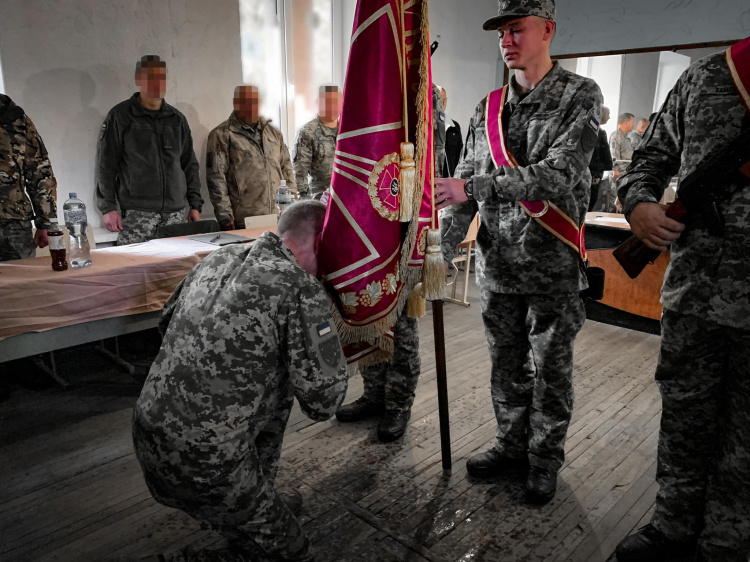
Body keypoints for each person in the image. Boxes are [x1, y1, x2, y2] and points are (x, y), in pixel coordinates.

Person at [434, 0, 602, 504]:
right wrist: (439, 251)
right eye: (501, 33)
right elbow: (460, 190)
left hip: (552, 266)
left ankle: (544, 459)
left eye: (516, 29)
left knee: (552, 372)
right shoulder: (486, 109)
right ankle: (510, 446)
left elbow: (558, 174)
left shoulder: (580, 96)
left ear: (547, 30)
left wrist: (475, 188)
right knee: (505, 366)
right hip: (499, 266)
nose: (507, 40)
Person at [132, 200, 348, 562]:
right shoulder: (298, 287)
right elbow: (324, 403)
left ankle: (252, 503)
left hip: (148, 440)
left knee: (271, 382)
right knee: (296, 552)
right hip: (206, 465)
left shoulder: (217, 257)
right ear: (321, 241)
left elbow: (165, 324)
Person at [614, 37, 750, 562]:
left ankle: (726, 543)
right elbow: (650, 156)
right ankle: (671, 526)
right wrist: (640, 206)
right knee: (684, 419)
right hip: (695, 293)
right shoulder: (709, 76)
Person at [334, 83, 446, 444]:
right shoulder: (371, 97)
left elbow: (432, 161)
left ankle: (398, 405)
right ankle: (373, 394)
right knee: (371, 313)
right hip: (372, 223)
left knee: (403, 330)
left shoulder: (423, 101)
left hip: (406, 229)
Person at [96, 55, 203, 245]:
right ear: (138, 80)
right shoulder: (120, 117)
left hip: (175, 214)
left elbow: (189, 165)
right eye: (150, 77)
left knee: (174, 270)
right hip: (137, 214)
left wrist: (195, 205)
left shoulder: (176, 120)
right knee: (135, 270)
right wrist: (108, 208)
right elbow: (107, 165)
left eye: (161, 78)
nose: (157, 83)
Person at [206, 85, 296, 231]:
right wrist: (224, 216)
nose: (251, 105)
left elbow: (287, 171)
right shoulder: (222, 135)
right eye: (246, 101)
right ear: (236, 103)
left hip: (278, 215)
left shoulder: (273, 134)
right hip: (244, 218)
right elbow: (216, 179)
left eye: (255, 101)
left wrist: (293, 207)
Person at [0, 94, 57, 261]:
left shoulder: (14, 117)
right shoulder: (15, 117)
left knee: (24, 284)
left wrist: (46, 223)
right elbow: (40, 171)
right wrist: (46, 223)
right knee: (22, 284)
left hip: (13, 225)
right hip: (14, 222)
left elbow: (39, 170)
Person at [293, 85, 341, 200]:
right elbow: (300, 170)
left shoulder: (347, 131)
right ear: (318, 102)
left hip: (345, 198)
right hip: (319, 200)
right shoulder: (308, 131)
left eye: (336, 102)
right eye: (328, 101)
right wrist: (303, 200)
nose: (332, 106)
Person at [587, 106, 613, 211]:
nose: (609, 117)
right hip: (592, 174)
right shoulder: (597, 132)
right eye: (608, 114)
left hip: (592, 173)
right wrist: (596, 174)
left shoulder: (598, 131)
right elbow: (596, 155)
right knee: (590, 201)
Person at [438, 86, 464, 178]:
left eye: (443, 99)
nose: (440, 103)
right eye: (438, 99)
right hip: (430, 180)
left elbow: (460, 156)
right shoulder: (424, 126)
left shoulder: (454, 127)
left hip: (449, 181)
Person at [610, 112, 635, 181]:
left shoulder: (626, 137)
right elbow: (614, 154)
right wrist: (615, 170)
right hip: (620, 174)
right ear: (626, 123)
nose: (633, 125)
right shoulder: (616, 136)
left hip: (626, 172)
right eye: (632, 122)